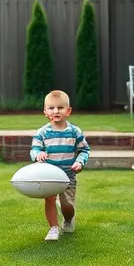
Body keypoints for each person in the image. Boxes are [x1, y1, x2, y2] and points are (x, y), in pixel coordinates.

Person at [30, 90, 90, 242]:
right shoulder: (42, 132)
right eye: (51, 108)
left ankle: (68, 219)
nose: (55, 111)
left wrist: (79, 162)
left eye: (60, 108)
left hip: (68, 176)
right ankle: (53, 228)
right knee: (49, 200)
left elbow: (84, 150)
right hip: (48, 175)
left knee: (67, 206)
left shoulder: (74, 132)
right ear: (45, 111)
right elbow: (34, 149)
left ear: (68, 111)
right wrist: (38, 155)